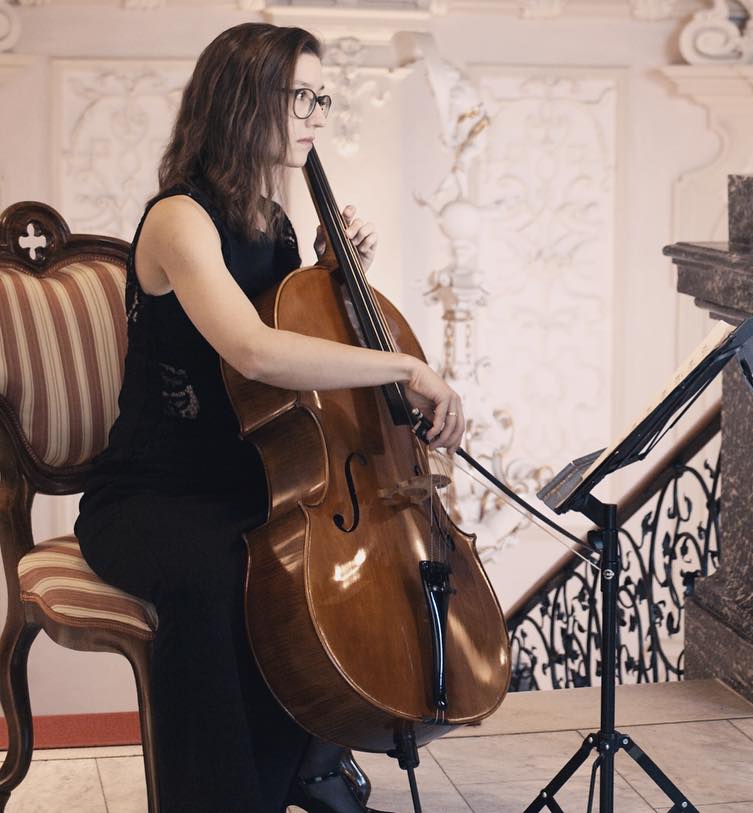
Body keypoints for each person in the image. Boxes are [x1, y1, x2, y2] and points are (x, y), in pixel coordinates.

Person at [74, 23, 467, 813]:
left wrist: (329, 269)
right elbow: (256, 353)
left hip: (244, 483)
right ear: (246, 99)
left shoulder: (273, 224)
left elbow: (299, 356)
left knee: (308, 573)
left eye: (322, 96)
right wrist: (406, 366)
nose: (318, 114)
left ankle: (308, 767)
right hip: (151, 499)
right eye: (302, 96)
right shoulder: (179, 220)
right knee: (226, 581)